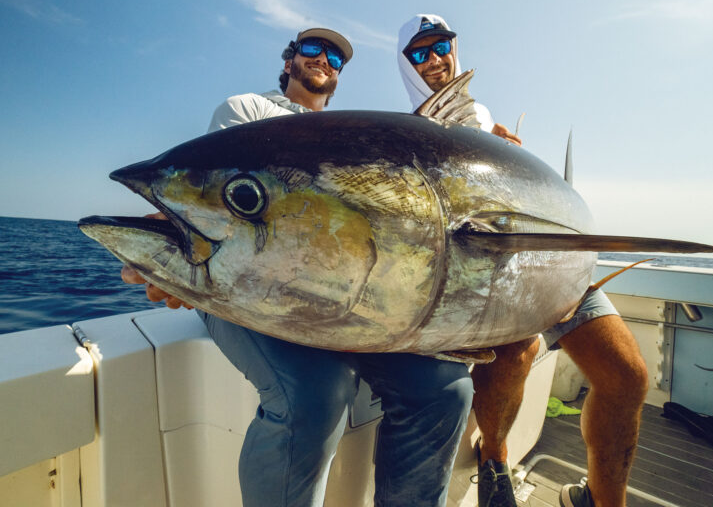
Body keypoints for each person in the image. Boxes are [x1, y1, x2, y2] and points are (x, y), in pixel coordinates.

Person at [122, 27, 475, 507]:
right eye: (312, 48)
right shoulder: (247, 110)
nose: (324, 59)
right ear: (289, 61)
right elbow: (219, 208)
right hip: (245, 292)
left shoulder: (355, 139)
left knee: (444, 390)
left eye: (335, 56)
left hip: (344, 300)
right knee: (315, 393)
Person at [398, 14, 649, 507]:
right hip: (489, 277)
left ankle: (602, 499)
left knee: (628, 375)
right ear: (405, 65)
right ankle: (495, 459)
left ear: (455, 48)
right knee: (516, 350)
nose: (433, 60)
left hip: (545, 262)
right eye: (419, 54)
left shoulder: (484, 116)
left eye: (440, 46)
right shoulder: (410, 134)